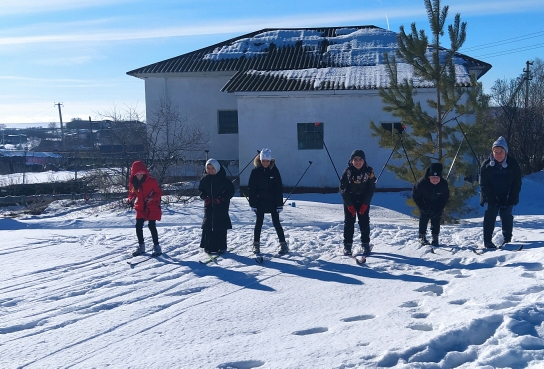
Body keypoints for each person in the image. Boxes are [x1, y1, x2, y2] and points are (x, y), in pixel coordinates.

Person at [480, 136, 522, 248]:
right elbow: (484, 185)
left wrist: (512, 198)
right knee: (490, 215)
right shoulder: (486, 165)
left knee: (506, 215)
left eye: (501, 151)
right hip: (491, 196)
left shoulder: (513, 164)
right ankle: (487, 241)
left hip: (507, 195)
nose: (498, 154)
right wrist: (491, 198)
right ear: (492, 152)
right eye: (496, 151)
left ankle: (507, 239)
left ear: (506, 152)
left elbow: (516, 183)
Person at [248, 148, 288, 255]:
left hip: (273, 202)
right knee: (259, 223)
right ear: (260, 161)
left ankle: (283, 244)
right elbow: (251, 188)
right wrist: (252, 203)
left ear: (270, 161)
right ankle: (256, 244)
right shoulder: (255, 171)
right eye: (263, 161)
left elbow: (279, 188)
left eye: (267, 161)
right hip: (260, 201)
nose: (265, 163)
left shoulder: (274, 171)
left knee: (276, 223)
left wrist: (279, 204)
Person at [339, 149, 376, 256]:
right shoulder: (347, 172)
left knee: (364, 222)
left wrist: (365, 204)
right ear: (351, 161)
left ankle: (365, 244)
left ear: (364, 161)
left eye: (360, 159)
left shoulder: (369, 172)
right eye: (355, 159)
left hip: (363, 201)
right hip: (350, 201)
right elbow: (343, 189)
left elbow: (371, 189)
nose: (358, 162)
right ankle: (347, 245)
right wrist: (349, 205)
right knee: (349, 223)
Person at [198, 158, 235, 254]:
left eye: (212, 168)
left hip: (221, 206)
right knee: (209, 226)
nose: (210, 170)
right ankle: (208, 246)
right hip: (209, 205)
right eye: (208, 168)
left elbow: (230, 192)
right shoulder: (204, 179)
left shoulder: (224, 180)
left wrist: (221, 199)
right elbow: (201, 191)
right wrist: (205, 197)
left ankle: (222, 246)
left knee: (221, 225)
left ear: (217, 168)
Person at [127, 160, 163, 257]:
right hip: (141, 207)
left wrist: (152, 198)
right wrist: (130, 199)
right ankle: (141, 246)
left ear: (145, 173)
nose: (139, 176)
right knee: (138, 226)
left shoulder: (151, 181)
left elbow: (158, 192)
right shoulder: (133, 183)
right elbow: (132, 193)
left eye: (141, 174)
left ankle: (157, 246)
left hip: (151, 207)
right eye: (137, 174)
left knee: (152, 226)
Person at [412, 162, 450, 247]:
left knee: (436, 218)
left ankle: (435, 237)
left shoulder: (443, 184)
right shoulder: (421, 183)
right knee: (424, 217)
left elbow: (445, 198)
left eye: (437, 178)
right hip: (424, 202)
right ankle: (422, 236)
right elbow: (416, 196)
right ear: (429, 177)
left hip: (437, 202)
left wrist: (439, 209)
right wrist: (422, 207)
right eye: (433, 178)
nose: (435, 180)